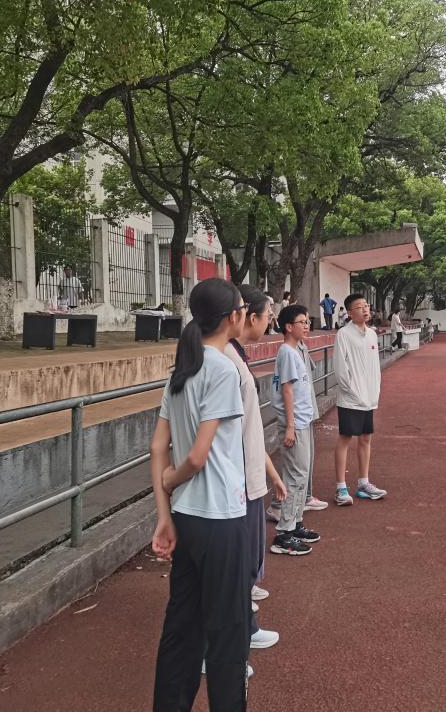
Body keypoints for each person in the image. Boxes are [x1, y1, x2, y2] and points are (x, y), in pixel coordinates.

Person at [149, 278, 250, 710]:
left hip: (188, 517)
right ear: (232, 318)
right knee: (228, 633)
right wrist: (172, 480)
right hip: (221, 518)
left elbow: (158, 447)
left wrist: (164, 514)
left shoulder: (183, 369)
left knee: (182, 628)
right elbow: (195, 456)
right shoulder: (223, 369)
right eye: (242, 308)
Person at [224, 286, 288, 645]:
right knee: (232, 564)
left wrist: (270, 473)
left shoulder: (233, 356)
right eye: (267, 315)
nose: (269, 321)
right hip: (235, 481)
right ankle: (233, 637)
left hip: (246, 475)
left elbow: (247, 428)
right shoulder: (222, 362)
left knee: (243, 558)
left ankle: (241, 626)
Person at [270, 304, 321, 555]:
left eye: (307, 321)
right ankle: (284, 533)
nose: (307, 326)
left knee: (302, 474)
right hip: (295, 423)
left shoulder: (296, 350)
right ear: (289, 327)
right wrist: (290, 426)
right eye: (302, 322)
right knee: (295, 477)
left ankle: (296, 523)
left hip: (302, 420)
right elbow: (287, 390)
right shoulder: (288, 352)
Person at [333, 293, 387, 505]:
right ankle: (340, 488)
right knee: (345, 438)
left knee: (366, 438)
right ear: (349, 313)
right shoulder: (344, 334)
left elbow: (375, 367)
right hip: (351, 398)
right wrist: (351, 390)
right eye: (359, 307)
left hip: (369, 397)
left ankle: (363, 483)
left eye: (366, 306)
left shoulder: (372, 334)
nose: (365, 310)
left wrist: (375, 391)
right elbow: (340, 368)